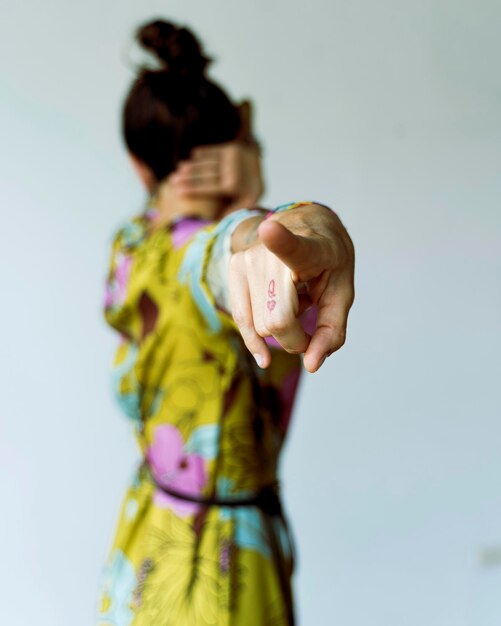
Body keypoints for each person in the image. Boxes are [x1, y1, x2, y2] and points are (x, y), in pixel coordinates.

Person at [97, 19, 354, 626]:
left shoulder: (133, 248)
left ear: (140, 167)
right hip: (216, 574)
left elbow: (227, 250)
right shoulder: (205, 253)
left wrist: (270, 226)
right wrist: (258, 214)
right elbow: (217, 255)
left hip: (145, 545)